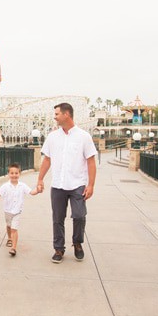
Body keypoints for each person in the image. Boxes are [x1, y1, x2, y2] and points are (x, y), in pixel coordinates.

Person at [37, 102, 97, 264]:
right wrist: (40, 179)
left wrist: (90, 185)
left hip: (78, 184)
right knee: (58, 218)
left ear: (67, 114)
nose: (54, 117)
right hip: (58, 184)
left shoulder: (84, 136)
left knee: (79, 216)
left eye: (57, 114)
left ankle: (77, 243)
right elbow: (47, 159)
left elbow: (91, 161)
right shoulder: (52, 137)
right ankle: (58, 248)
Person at [0, 163, 39, 256]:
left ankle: (13, 248)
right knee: (9, 226)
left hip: (17, 211)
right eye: (12, 173)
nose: (14, 175)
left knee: (14, 228)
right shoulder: (5, 186)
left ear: (20, 173)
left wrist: (38, 190)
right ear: (8, 174)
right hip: (7, 211)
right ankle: (9, 238)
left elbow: (32, 192)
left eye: (16, 173)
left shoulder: (23, 186)